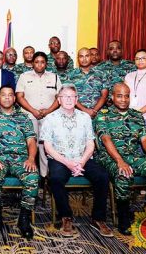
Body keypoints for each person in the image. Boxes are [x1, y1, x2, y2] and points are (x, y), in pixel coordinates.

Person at [95, 83, 146, 235]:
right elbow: (106, 140)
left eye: (126, 96)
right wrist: (120, 161)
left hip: (133, 156)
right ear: (112, 97)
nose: (123, 99)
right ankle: (124, 218)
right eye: (119, 96)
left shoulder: (136, 115)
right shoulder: (103, 115)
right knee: (124, 174)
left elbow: (145, 139)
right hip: (110, 157)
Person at [41, 84, 113, 238]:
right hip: (60, 159)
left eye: (72, 96)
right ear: (59, 100)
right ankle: (66, 216)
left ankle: (98, 218)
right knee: (56, 178)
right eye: (65, 96)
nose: (68, 99)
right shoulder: (50, 118)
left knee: (103, 176)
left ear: (76, 99)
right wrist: (68, 163)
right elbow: (47, 146)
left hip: (83, 158)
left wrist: (81, 162)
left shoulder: (85, 117)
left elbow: (90, 143)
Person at [0, 86, 38, 239]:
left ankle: (24, 219)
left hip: (21, 158)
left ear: (14, 98)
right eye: (3, 95)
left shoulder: (24, 118)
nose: (7, 98)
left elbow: (31, 141)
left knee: (32, 177)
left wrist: (31, 158)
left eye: (10, 95)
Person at [16, 51, 61, 177]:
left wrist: (47, 111)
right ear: (32, 63)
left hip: (49, 117)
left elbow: (59, 97)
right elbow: (19, 97)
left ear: (46, 63)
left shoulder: (54, 77)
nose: (39, 65)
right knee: (30, 145)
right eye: (36, 62)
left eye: (42, 62)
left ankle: (44, 176)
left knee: (46, 146)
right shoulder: (24, 76)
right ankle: (29, 174)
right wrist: (33, 111)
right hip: (30, 117)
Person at [67, 48, 108, 119]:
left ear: (91, 57)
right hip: (77, 114)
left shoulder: (101, 74)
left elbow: (104, 95)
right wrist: (85, 110)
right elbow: (69, 96)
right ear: (78, 58)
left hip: (98, 115)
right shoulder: (71, 75)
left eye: (87, 56)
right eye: (81, 56)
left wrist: (94, 111)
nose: (84, 59)